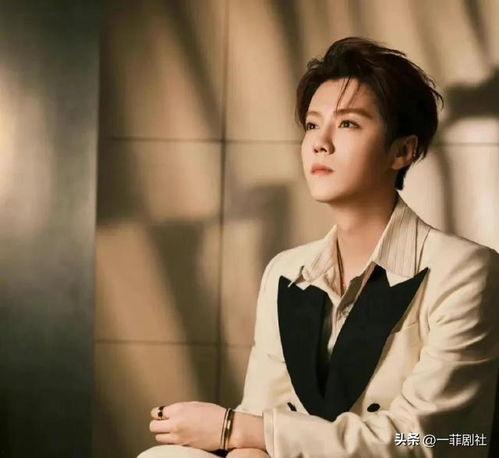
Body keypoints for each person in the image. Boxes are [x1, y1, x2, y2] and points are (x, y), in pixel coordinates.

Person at [138, 37, 499, 458]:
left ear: (402, 151)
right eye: (312, 125)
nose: (319, 143)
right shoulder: (287, 271)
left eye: (348, 124)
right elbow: (262, 414)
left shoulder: (465, 270)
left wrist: (233, 428)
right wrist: (243, 439)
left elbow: (420, 438)